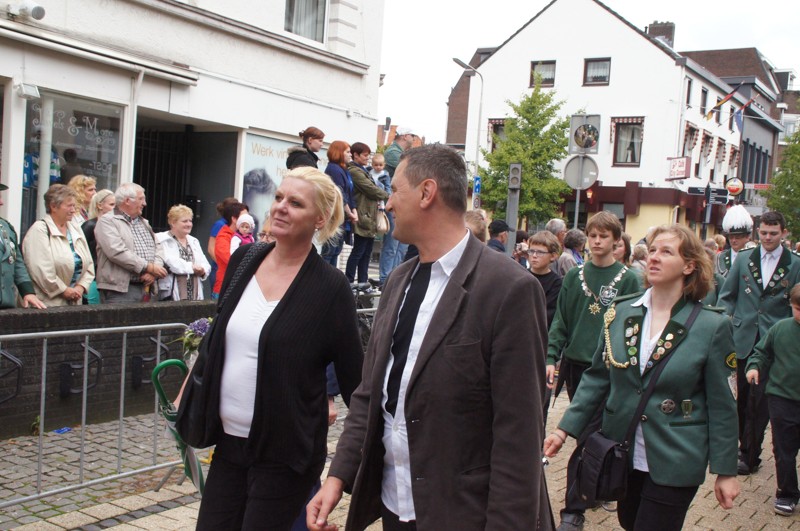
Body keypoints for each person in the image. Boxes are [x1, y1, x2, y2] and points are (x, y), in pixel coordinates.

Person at [307, 144, 551, 531]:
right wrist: (337, 477)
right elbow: (370, 394)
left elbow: (518, 432)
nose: (388, 203)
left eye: (395, 191)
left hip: (464, 514)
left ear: (426, 193)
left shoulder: (509, 289)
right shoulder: (397, 281)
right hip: (395, 505)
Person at [177, 166, 363, 530]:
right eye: (279, 197)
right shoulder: (246, 260)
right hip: (228, 445)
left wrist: (344, 473)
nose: (280, 207)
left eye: (295, 203)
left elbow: (356, 383)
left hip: (286, 455)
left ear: (319, 219)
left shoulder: (330, 287)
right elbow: (219, 339)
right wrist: (189, 389)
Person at [544, 224, 740, 531]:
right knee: (629, 521)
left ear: (689, 265)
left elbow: (723, 404)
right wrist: (563, 430)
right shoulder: (621, 312)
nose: (654, 257)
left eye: (667, 252)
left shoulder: (711, 326)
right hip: (623, 450)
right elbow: (597, 378)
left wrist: (725, 470)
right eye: (652, 250)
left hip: (676, 455)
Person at [546, 211, 641, 531]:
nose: (597, 241)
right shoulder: (574, 276)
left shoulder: (629, 279)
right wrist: (551, 356)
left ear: (616, 241)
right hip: (577, 366)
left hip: (613, 369)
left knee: (591, 435)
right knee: (588, 434)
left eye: (604, 236)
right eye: (593, 235)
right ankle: (586, 493)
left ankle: (576, 505)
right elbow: (561, 319)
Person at [717, 210, 800, 475]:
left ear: (783, 233)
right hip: (741, 338)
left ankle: (749, 454)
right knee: (740, 398)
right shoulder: (744, 259)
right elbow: (727, 296)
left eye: (773, 233)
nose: (767, 237)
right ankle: (743, 444)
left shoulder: (795, 264)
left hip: (773, 342)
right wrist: (724, 321)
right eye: (763, 232)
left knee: (760, 401)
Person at [746, 283, 800, 516]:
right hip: (782, 397)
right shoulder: (781, 328)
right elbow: (762, 352)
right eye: (798, 309)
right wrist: (754, 366)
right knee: (783, 448)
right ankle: (787, 493)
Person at [22, 184, 94, 307]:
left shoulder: (75, 228)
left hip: (75, 302)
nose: (73, 210)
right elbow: (40, 269)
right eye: (69, 206)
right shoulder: (39, 229)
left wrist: (81, 287)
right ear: (53, 206)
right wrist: (63, 290)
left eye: (74, 206)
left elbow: (89, 263)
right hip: (47, 304)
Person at [95, 183, 167, 303]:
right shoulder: (107, 221)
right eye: (141, 199)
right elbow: (116, 252)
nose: (144, 203)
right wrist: (148, 267)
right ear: (127, 201)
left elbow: (158, 247)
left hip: (146, 287)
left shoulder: (144, 222)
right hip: (119, 291)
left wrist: (153, 272)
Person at [527, 230, 564, 429]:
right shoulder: (521, 276)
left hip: (541, 349)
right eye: (531, 251)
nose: (534, 256)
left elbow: (551, 317)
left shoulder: (556, 284)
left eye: (540, 252)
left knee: (539, 404)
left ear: (553, 256)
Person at [345, 142, 388, 283]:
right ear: (355, 155)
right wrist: (388, 195)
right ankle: (349, 281)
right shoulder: (355, 171)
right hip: (363, 215)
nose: (367, 158)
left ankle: (362, 282)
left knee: (366, 252)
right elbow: (371, 189)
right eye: (365, 155)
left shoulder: (363, 170)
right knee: (359, 251)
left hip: (369, 216)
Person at [0, 183, 46, 309]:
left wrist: (27, 292)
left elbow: (17, 262)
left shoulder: (6, 227)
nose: (1, 202)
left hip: (6, 304)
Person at [379, 129, 416, 281]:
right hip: (394, 202)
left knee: (402, 245)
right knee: (393, 244)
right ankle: (386, 278)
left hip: (403, 202)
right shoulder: (393, 152)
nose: (414, 139)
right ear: (405, 136)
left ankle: (396, 277)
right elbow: (412, 171)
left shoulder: (402, 154)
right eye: (413, 136)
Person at [155, 205, 211, 301]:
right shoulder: (161, 239)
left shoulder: (194, 241)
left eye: (190, 221)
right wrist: (192, 268)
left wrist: (203, 271)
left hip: (194, 294)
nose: (189, 224)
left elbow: (205, 263)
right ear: (173, 222)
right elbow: (171, 262)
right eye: (185, 221)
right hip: (171, 293)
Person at [322, 141, 357, 267]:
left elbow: (350, 193)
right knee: (329, 252)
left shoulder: (344, 170)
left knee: (336, 251)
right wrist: (350, 213)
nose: (350, 155)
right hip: (334, 217)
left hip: (343, 218)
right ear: (339, 153)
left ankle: (331, 277)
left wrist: (354, 210)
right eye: (347, 152)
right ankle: (324, 277)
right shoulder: (333, 169)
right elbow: (340, 194)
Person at [80, 189, 115, 305]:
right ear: (100, 205)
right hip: (92, 278)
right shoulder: (89, 225)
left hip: (109, 278)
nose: (115, 208)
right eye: (111, 204)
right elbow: (80, 251)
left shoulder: (115, 226)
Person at [212, 201, 248, 298]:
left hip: (239, 287)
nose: (247, 220)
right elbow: (230, 260)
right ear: (234, 219)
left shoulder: (246, 236)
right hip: (224, 288)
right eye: (244, 217)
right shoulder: (223, 237)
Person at [207, 197, 240, 296]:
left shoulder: (236, 227)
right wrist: (222, 263)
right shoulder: (220, 224)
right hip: (219, 268)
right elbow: (211, 248)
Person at [716, 204, 753, 278]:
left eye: (738, 237)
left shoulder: (754, 256)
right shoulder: (720, 257)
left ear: (747, 236)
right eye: (731, 237)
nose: (733, 240)